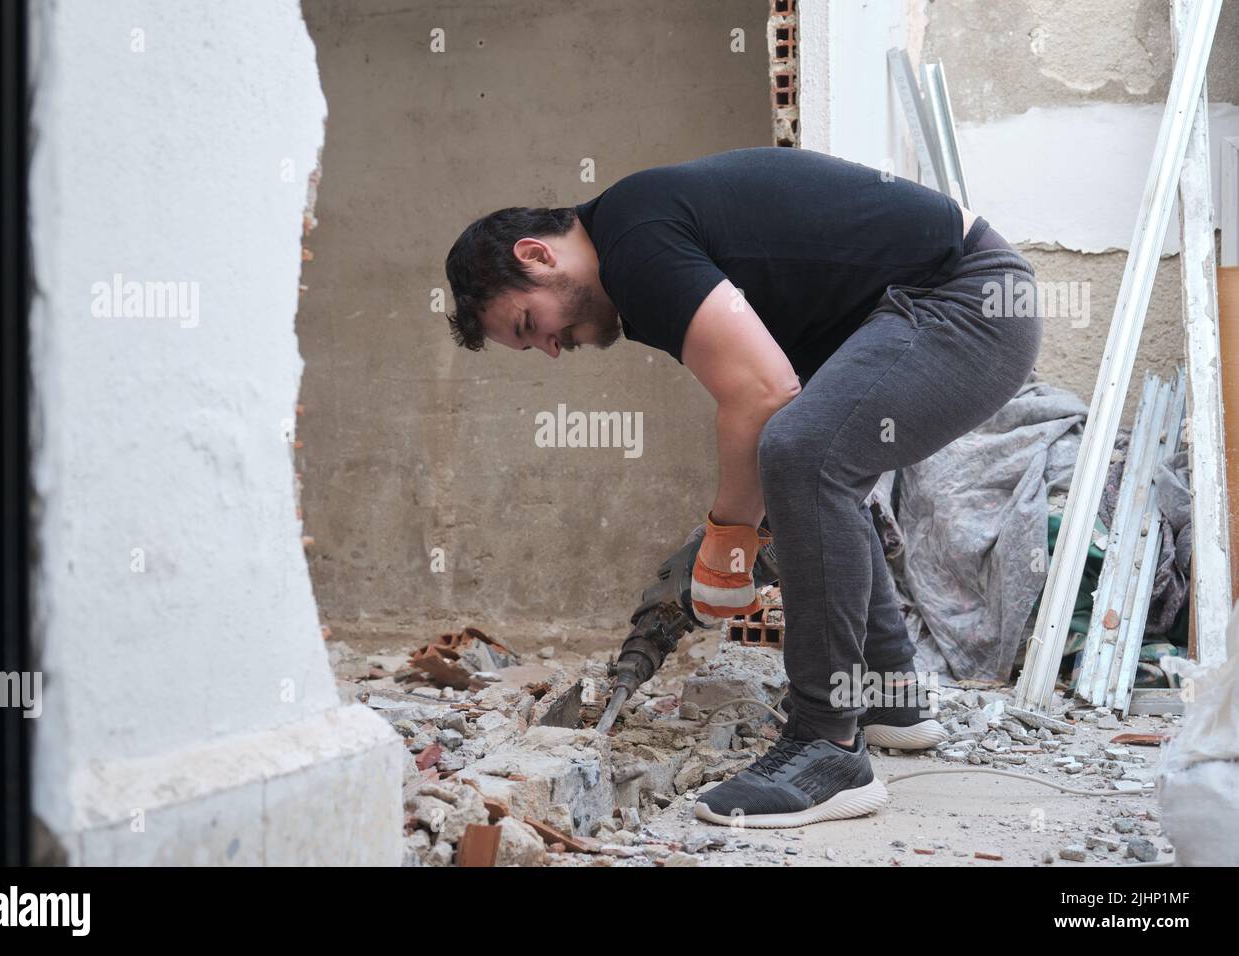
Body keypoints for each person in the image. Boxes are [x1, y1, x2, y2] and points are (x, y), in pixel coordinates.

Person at [443, 147, 1042, 827]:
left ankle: (828, 748)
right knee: (809, 464)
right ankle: (888, 696)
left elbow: (762, 395)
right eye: (532, 347)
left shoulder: (634, 241)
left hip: (966, 300)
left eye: (530, 324)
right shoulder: (634, 239)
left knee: (804, 457)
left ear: (537, 255)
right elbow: (767, 398)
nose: (552, 348)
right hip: (926, 304)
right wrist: (744, 526)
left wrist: (726, 544)